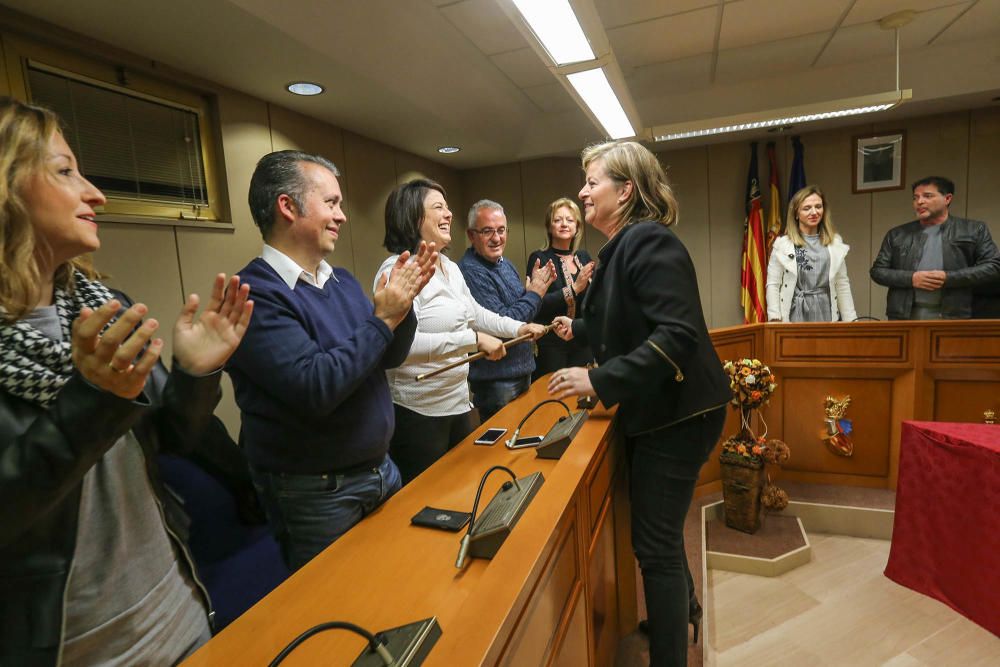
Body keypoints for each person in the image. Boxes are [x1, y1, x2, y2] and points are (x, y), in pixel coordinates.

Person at [0, 97, 254, 666]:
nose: (95, 193)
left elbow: (172, 440)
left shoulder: (97, 307)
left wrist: (196, 373)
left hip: (179, 608)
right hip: (80, 648)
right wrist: (90, 402)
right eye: (65, 171)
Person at [549, 140, 730, 667]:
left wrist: (599, 379)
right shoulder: (623, 246)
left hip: (678, 415)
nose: (582, 191)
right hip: (665, 411)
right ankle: (685, 611)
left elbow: (677, 335)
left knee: (653, 546)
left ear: (626, 190)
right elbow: (627, 322)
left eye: (592, 181)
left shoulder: (647, 240)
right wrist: (583, 333)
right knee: (661, 535)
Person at [225, 151, 436, 571]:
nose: (342, 216)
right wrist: (382, 318)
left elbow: (385, 356)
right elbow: (316, 386)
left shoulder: (339, 280)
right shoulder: (255, 295)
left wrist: (403, 307)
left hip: (380, 470)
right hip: (318, 493)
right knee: (338, 611)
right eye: (332, 203)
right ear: (288, 206)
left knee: (395, 581)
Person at [377, 179, 545, 484]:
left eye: (447, 206)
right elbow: (399, 347)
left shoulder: (449, 267)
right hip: (418, 413)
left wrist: (519, 326)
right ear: (414, 217)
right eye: (438, 207)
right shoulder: (397, 270)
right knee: (425, 502)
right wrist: (472, 340)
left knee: (462, 491)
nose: (449, 214)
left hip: (457, 403)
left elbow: (477, 315)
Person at [458, 199, 555, 420]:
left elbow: (524, 315)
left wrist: (531, 296)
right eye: (487, 231)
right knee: (502, 448)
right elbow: (505, 322)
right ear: (472, 235)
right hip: (497, 382)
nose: (496, 238)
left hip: (521, 371)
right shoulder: (470, 271)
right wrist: (535, 294)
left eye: (501, 230)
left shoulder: (505, 264)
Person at [871, 176, 1000, 320]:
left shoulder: (974, 230)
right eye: (915, 197)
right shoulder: (897, 234)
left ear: (947, 199)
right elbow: (878, 271)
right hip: (905, 315)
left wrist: (948, 277)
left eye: (927, 196)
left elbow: (993, 266)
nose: (919, 202)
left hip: (955, 316)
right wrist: (911, 278)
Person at [526, 198, 596, 380]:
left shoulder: (584, 256)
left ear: (577, 227)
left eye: (570, 220)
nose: (564, 224)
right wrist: (574, 289)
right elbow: (537, 304)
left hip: (582, 339)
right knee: (553, 396)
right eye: (557, 220)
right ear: (549, 227)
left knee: (584, 397)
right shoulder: (540, 258)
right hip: (552, 344)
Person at [765, 185, 857, 322]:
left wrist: (851, 320)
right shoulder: (782, 245)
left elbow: (842, 284)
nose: (814, 212)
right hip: (794, 314)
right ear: (796, 213)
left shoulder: (835, 243)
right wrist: (774, 317)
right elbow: (773, 283)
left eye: (818, 206)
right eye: (807, 208)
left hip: (826, 312)